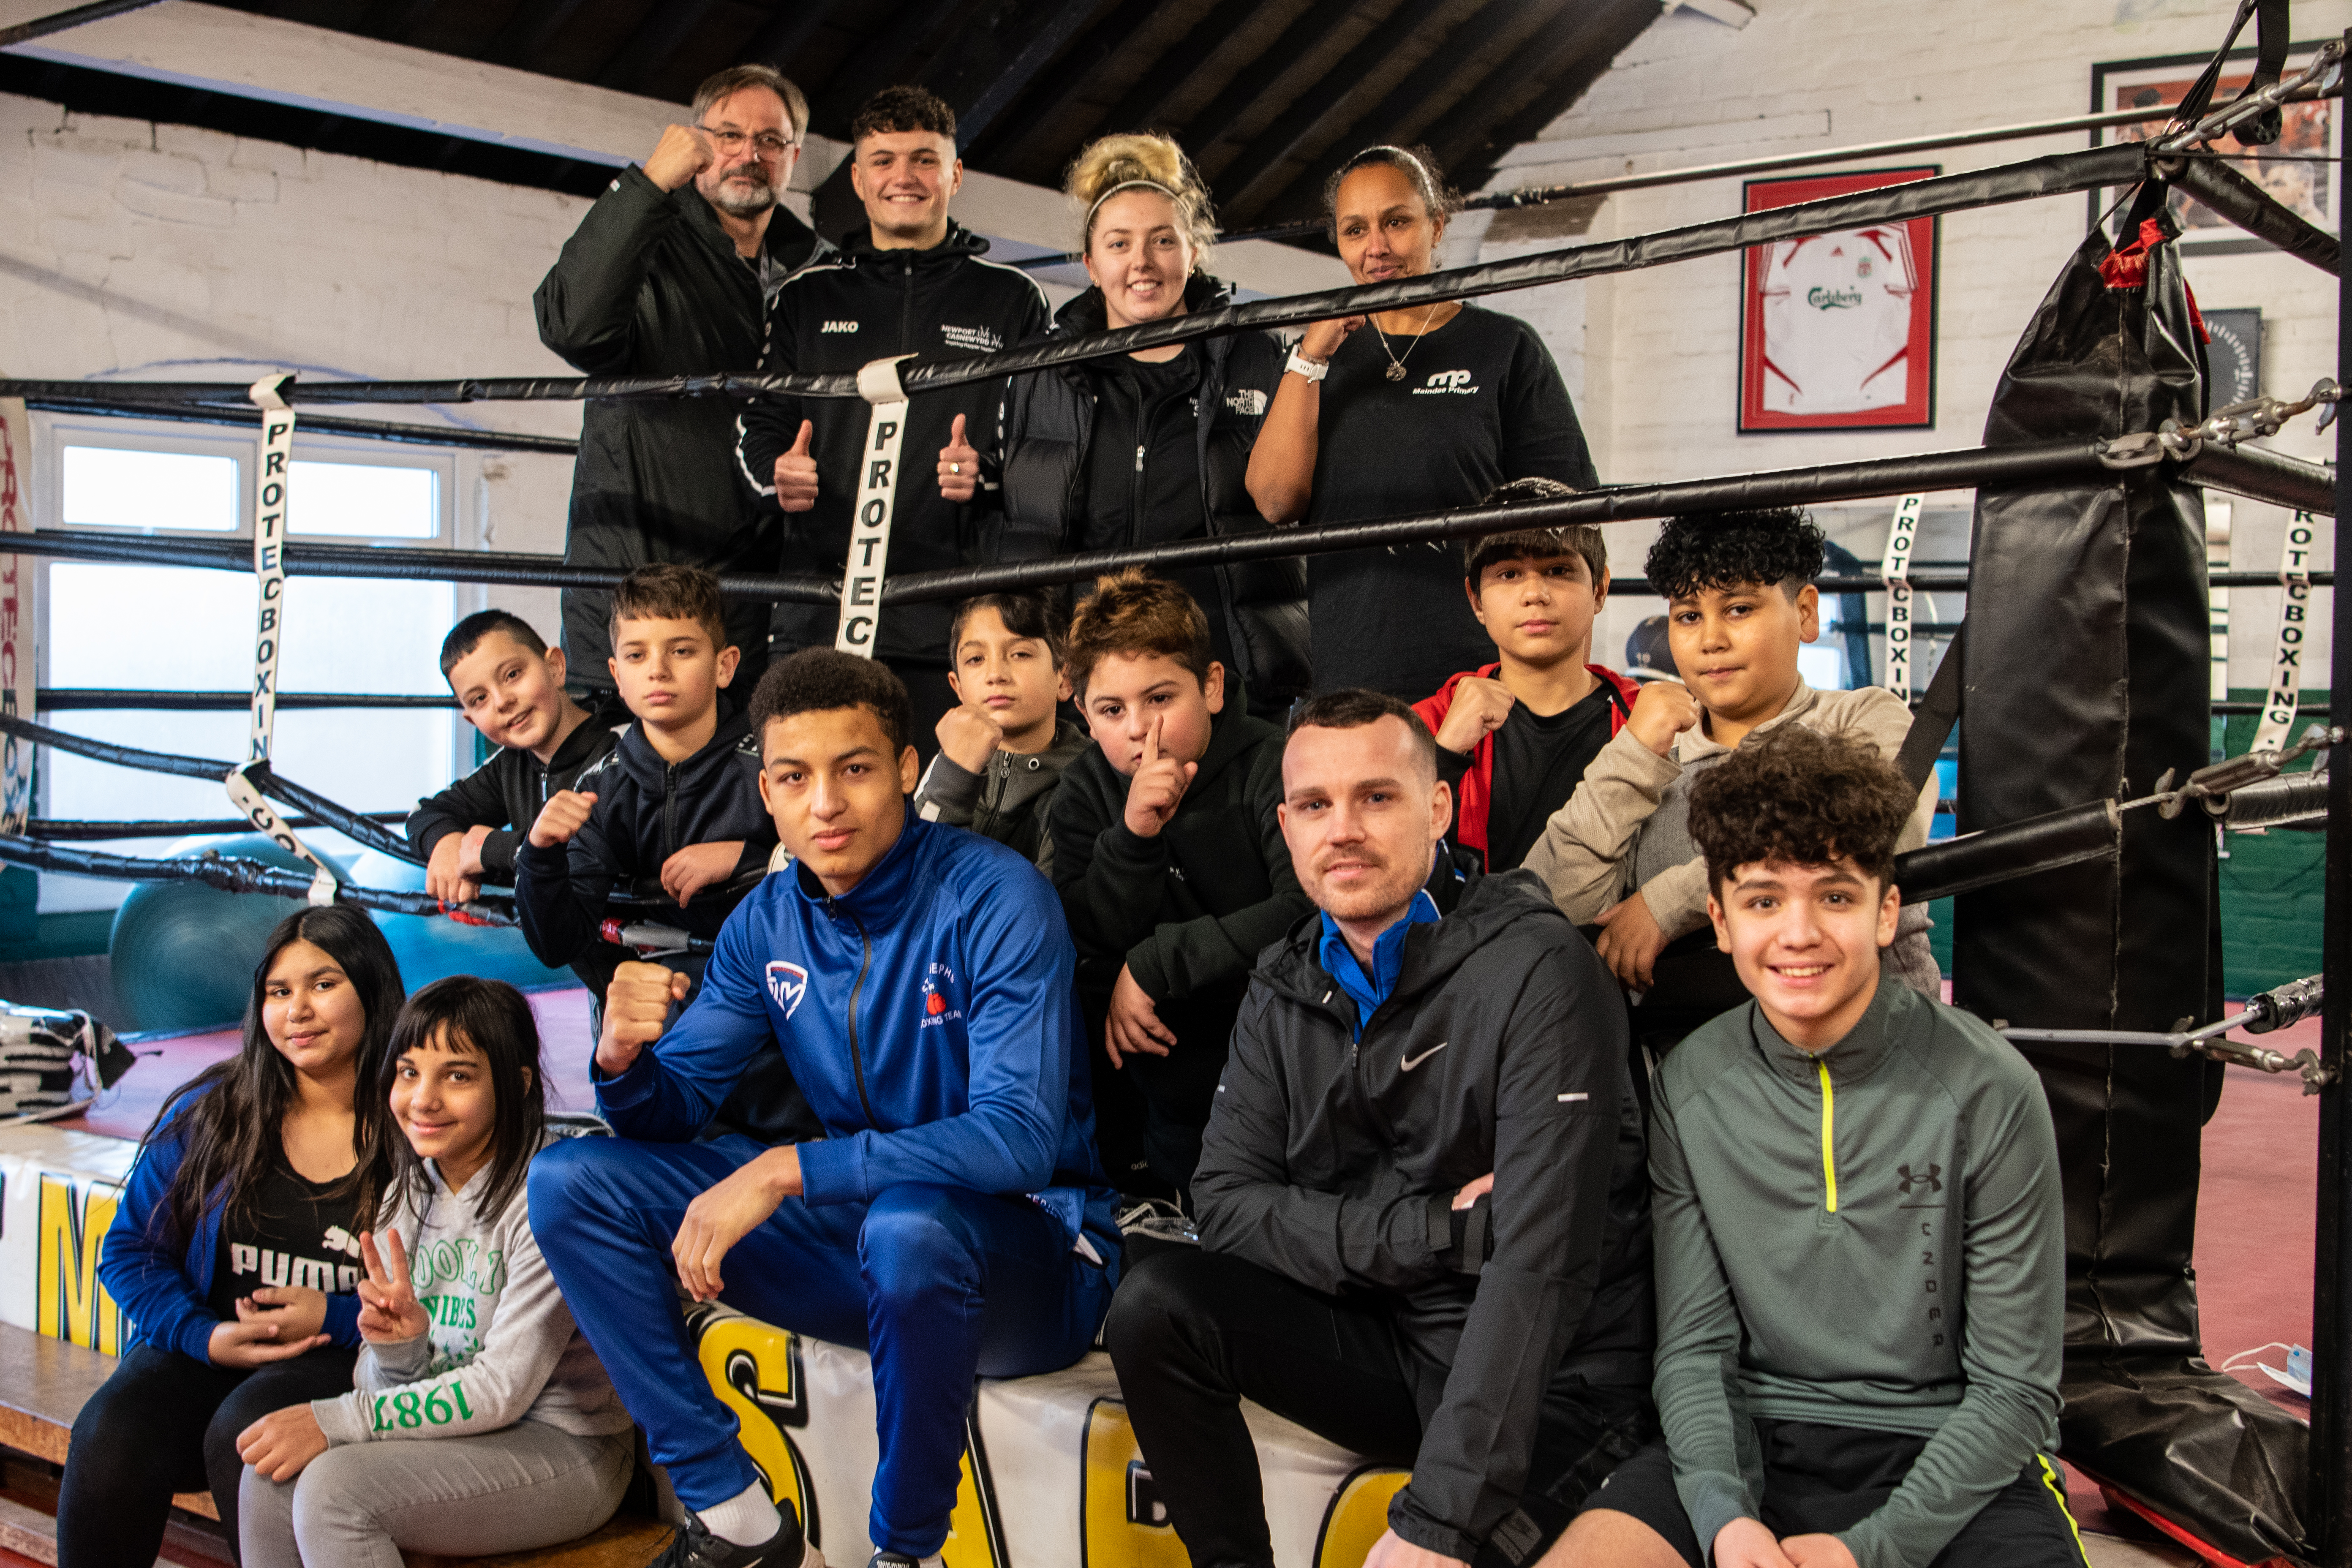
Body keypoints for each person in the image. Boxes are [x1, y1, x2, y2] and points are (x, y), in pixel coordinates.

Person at [528, 649, 1119, 1568]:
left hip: (1028, 1258)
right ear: (767, 791)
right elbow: (669, 1110)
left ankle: (908, 1552)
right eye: (796, 778)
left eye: (855, 769)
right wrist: (623, 1061)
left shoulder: (997, 895)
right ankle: (732, 1515)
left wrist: (786, 1168)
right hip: (865, 1240)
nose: (826, 804)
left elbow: (1018, 1140)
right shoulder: (767, 921)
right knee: (570, 1181)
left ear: (907, 769)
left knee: (911, 1227)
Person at [1104, 689, 1654, 1568]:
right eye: (1315, 805)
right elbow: (1229, 1205)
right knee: (1155, 1304)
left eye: (1376, 796)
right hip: (1394, 1338)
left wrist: (1442, 1519)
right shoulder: (1283, 980)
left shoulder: (1542, 969)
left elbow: (1538, 1267)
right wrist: (1436, 1231)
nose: (1343, 829)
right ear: (1287, 827)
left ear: (1436, 807)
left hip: (1553, 1382)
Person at [1552, 727, 2074, 1568]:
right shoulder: (1691, 1083)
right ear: (1720, 920)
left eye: (1833, 896)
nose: (1797, 933)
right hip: (1753, 1436)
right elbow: (1693, 1349)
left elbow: (2014, 1389)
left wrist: (1872, 1549)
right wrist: (1725, 1516)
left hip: (1954, 1451)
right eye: (1763, 900)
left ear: (1885, 912)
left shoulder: (1990, 1086)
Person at [237, 977, 634, 1568]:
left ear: (518, 1084)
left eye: (458, 1076)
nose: (423, 1099)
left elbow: (501, 1390)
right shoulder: (406, 1194)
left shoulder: (553, 1196)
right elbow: (378, 1384)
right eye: (408, 1072)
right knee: (270, 1477)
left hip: (569, 1446)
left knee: (334, 1493)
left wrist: (338, 1419)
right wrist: (400, 1353)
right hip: (466, 1435)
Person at [62, 907, 406, 1568]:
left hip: (349, 1361)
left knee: (247, 1435)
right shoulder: (216, 1113)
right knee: (110, 1431)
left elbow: (450, 1292)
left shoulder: (414, 1122)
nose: (298, 1010)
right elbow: (131, 1251)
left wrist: (334, 1316)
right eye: (279, 991)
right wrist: (204, 1336)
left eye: (323, 984)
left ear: (372, 988)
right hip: (210, 1350)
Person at [1523, 508, 1937, 1048]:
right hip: (1690, 1065)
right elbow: (1552, 913)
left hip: (1878, 1051)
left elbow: (1863, 831)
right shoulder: (1649, 766)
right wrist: (1632, 753)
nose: (1711, 639)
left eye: (1739, 609)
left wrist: (1670, 902)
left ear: (1805, 613)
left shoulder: (1863, 718)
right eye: (1688, 616)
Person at [736, 86, 1051, 740]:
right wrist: (778, 474)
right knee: (823, 787)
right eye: (883, 161)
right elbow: (759, 425)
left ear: (955, 175)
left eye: (924, 160)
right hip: (821, 611)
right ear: (858, 178)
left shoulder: (1011, 298)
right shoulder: (806, 297)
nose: (903, 177)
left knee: (947, 792)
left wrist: (988, 471)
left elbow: (1044, 437)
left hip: (957, 620)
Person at [1246, 144, 1598, 700]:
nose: (1376, 247)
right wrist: (1310, 356)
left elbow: (1574, 525)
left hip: (1482, 675)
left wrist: (1564, 697)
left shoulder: (1503, 347)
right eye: (1355, 230)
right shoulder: (1313, 362)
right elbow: (1274, 501)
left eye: (1396, 222)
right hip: (1352, 670)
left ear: (1436, 226)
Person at [989, 132, 1305, 717]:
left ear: (1193, 252)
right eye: (1119, 244)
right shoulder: (1041, 370)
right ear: (1091, 264)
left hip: (1226, 667)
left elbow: (1294, 493)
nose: (1142, 263)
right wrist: (977, 477)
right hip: (1088, 675)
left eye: (1163, 241)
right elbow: (1022, 515)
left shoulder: (1255, 353)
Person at [536, 64, 828, 694]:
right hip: (637, 582)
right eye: (729, 135)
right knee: (626, 754)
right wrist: (647, 184)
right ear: (695, 143)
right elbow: (571, 328)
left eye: (770, 141)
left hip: (759, 593)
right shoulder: (650, 240)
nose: (749, 155)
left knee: (758, 750)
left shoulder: (819, 272)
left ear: (794, 157)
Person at [513, 565, 804, 1149]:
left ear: (724, 665)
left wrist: (751, 860)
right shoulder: (600, 787)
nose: (659, 670)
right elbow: (558, 942)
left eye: (682, 650)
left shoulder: (777, 760)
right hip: (662, 1007)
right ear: (617, 676)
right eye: (638, 655)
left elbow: (846, 868)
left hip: (782, 998)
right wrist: (538, 855)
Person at [1045, 571, 1311, 1200]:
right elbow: (1089, 936)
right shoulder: (1083, 791)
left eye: (1160, 698)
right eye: (1113, 710)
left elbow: (1309, 909)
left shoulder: (1276, 763)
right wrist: (1135, 836)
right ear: (1085, 715)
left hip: (1286, 1060)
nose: (1140, 728)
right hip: (1162, 1075)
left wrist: (1158, 962)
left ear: (1212, 687)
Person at [1414, 478, 1639, 873]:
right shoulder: (1427, 724)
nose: (1535, 594)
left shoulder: (1641, 719)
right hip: (1471, 917)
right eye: (1509, 574)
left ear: (1600, 590)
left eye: (1558, 570)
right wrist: (1445, 754)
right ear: (1475, 600)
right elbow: (1384, 861)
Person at [408, 609, 620, 913]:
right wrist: (447, 844)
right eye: (480, 699)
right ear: (472, 720)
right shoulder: (510, 764)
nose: (502, 701)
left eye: (512, 675)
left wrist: (491, 849)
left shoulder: (622, 747)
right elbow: (424, 812)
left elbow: (593, 856)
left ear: (555, 668)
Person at [911, 591, 1088, 871]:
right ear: (958, 688)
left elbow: (1044, 898)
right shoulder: (946, 767)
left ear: (1065, 679)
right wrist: (955, 776)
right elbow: (913, 876)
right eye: (975, 659)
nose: (996, 674)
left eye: (1020, 654)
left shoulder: (1087, 779)